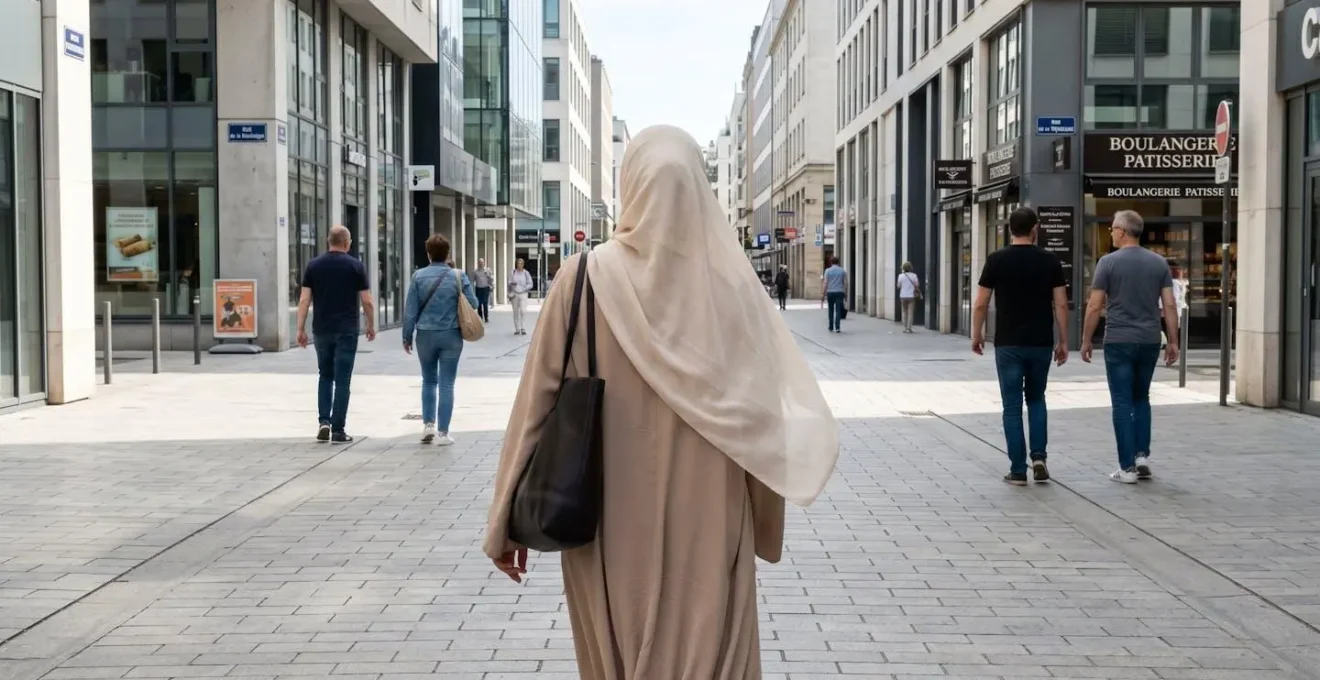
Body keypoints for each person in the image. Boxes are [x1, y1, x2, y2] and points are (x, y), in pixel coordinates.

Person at [483, 125, 839, 678]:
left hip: (605, 516)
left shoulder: (582, 278)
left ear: (632, 188)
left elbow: (536, 404)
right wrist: (764, 525)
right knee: (712, 648)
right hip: (713, 517)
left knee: (617, 651)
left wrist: (503, 521)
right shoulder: (732, 291)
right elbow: (765, 420)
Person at [1082, 210, 1180, 484]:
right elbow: (1169, 304)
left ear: (1123, 231)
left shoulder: (1108, 263)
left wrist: (1087, 339)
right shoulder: (1159, 263)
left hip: (1119, 340)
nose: (1110, 232)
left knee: (1122, 402)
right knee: (1142, 398)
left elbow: (1094, 305)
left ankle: (1126, 469)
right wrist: (1173, 340)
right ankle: (1141, 456)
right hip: (1149, 339)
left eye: (1112, 228)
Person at [972, 207, 1069, 486]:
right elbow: (1060, 303)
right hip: (1040, 342)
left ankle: (1017, 469)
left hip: (1008, 343)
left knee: (1012, 407)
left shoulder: (996, 260)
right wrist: (1063, 340)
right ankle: (1039, 457)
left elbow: (980, 302)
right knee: (1037, 399)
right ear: (1035, 228)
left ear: (1009, 230)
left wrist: (976, 334)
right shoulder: (1050, 261)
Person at [296, 225, 376, 444]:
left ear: (327, 241)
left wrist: (300, 328)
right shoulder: (356, 266)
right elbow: (367, 300)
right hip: (347, 330)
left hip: (322, 329)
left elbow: (304, 300)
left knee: (325, 375)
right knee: (343, 379)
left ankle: (324, 422)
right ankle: (338, 430)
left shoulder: (314, 266)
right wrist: (371, 324)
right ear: (347, 243)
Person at [403, 234, 478, 446]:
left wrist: (407, 336)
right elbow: (473, 302)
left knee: (428, 380)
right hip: (451, 334)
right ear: (447, 254)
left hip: (425, 334)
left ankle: (428, 425)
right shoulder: (458, 275)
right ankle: (444, 433)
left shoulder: (418, 276)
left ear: (428, 254)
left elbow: (411, 310)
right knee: (447, 383)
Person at [822, 257, 848, 333]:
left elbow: (825, 282)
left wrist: (823, 293)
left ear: (831, 262)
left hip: (830, 292)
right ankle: (837, 327)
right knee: (838, 310)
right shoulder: (842, 271)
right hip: (840, 292)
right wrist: (846, 294)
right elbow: (846, 283)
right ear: (838, 262)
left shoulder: (827, 271)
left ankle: (830, 326)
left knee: (830, 309)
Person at [508, 258, 533, 335]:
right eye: (518, 263)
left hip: (523, 294)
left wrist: (524, 288)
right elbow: (508, 283)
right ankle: (517, 329)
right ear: (516, 264)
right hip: (514, 293)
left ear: (523, 264)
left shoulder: (526, 273)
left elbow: (530, 284)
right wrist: (511, 284)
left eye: (521, 263)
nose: (520, 265)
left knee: (523, 310)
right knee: (515, 312)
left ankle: (523, 327)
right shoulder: (513, 272)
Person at [897, 262, 922, 333]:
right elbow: (917, 285)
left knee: (904, 311)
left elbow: (898, 286)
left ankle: (905, 327)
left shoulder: (900, 276)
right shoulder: (914, 276)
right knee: (910, 312)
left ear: (903, 268)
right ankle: (909, 328)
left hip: (903, 295)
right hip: (911, 295)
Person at [471, 258, 494, 323]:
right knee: (479, 303)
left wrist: (488, 275)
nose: (481, 263)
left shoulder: (488, 270)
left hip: (486, 288)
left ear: (484, 263)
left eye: (482, 262)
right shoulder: (475, 271)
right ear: (478, 263)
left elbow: (492, 279)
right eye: (479, 262)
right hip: (478, 289)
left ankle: (486, 317)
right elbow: (472, 280)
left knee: (485, 303)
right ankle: (480, 317)